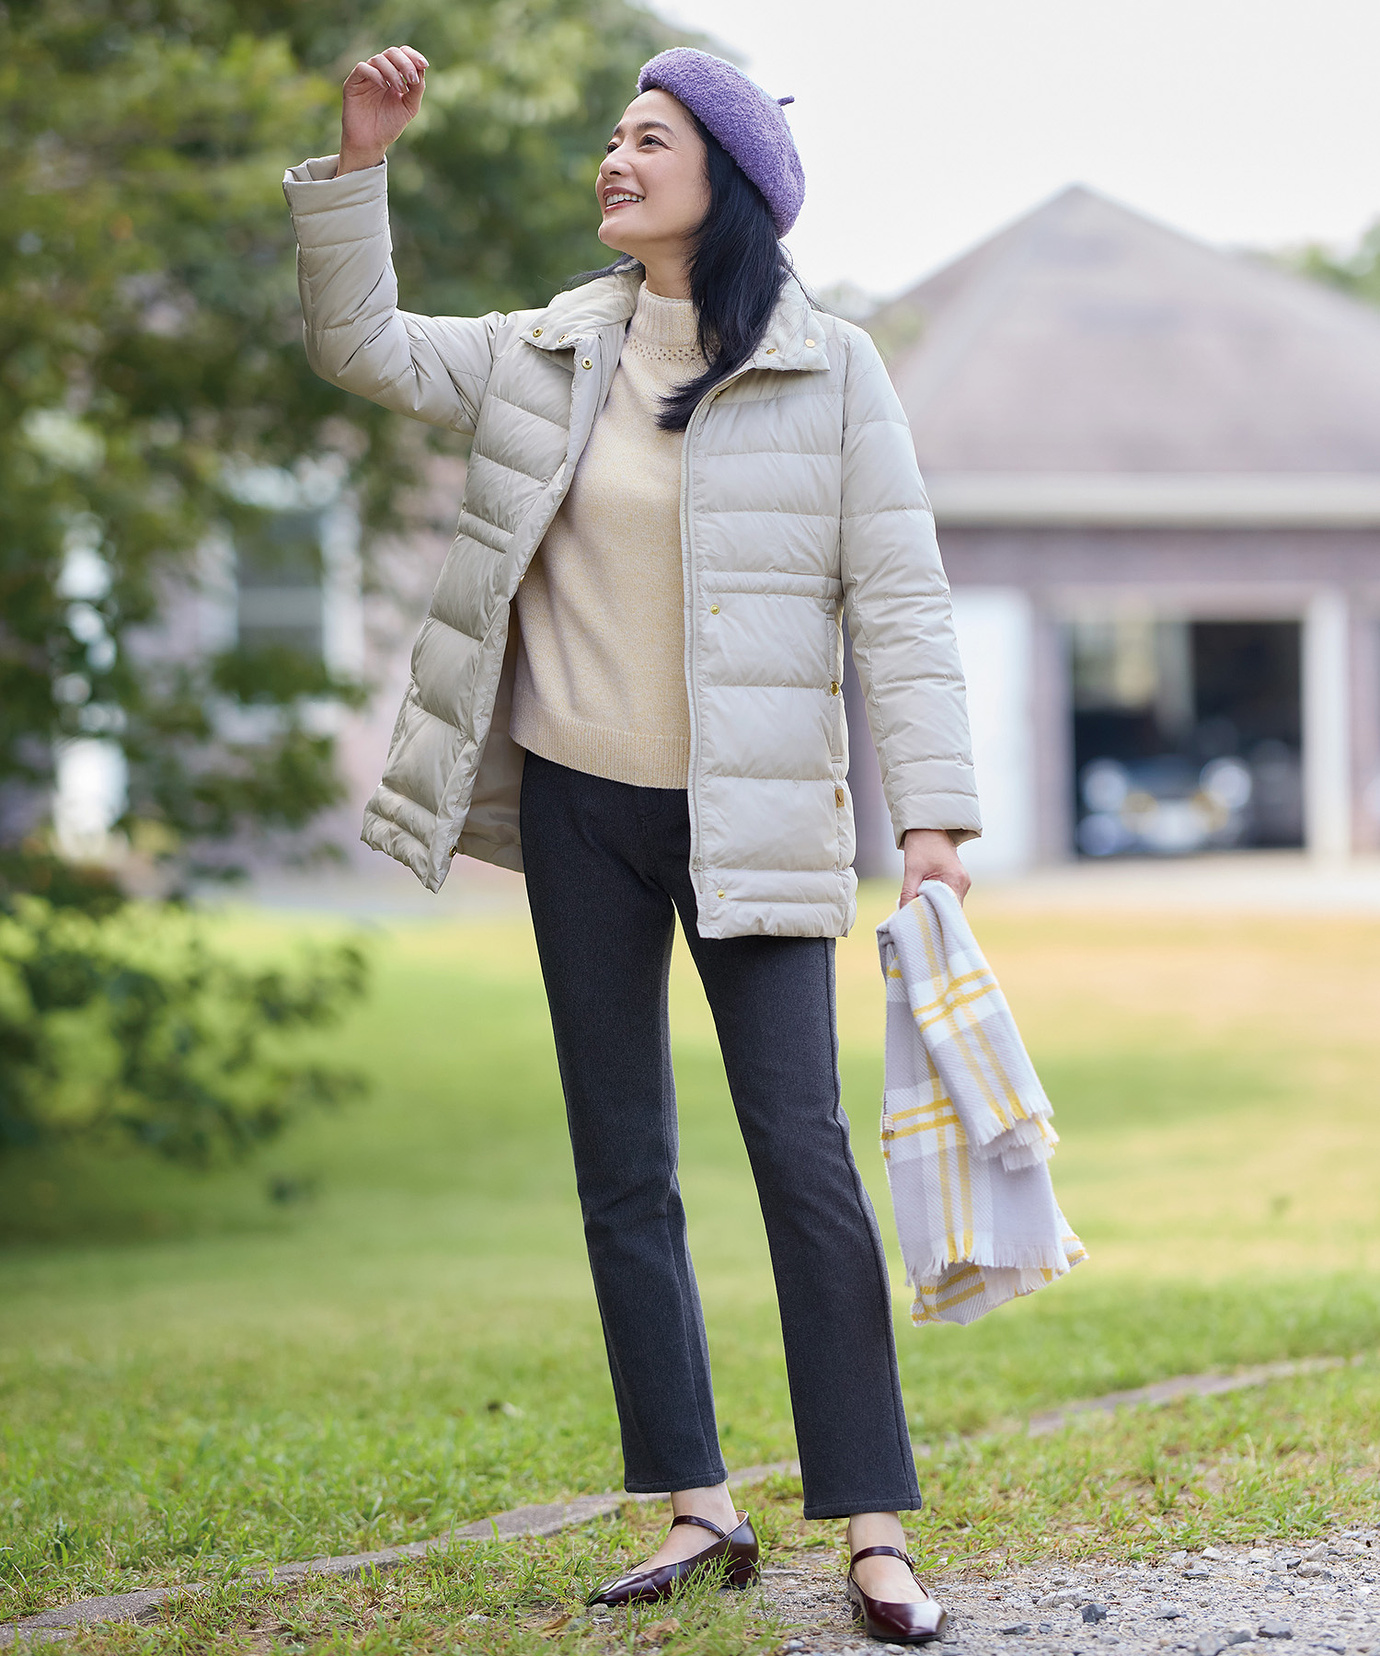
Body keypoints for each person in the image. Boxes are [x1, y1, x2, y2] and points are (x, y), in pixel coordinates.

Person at [283, 41, 980, 1645]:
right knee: (623, 1165)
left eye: (650, 138)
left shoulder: (832, 370)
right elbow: (360, 344)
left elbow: (904, 603)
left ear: (722, 180)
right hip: (581, 806)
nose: (616, 155)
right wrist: (361, 164)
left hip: (757, 813)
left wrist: (933, 818)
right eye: (615, 134)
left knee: (802, 1158)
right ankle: (695, 1503)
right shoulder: (546, 351)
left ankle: (874, 1527)